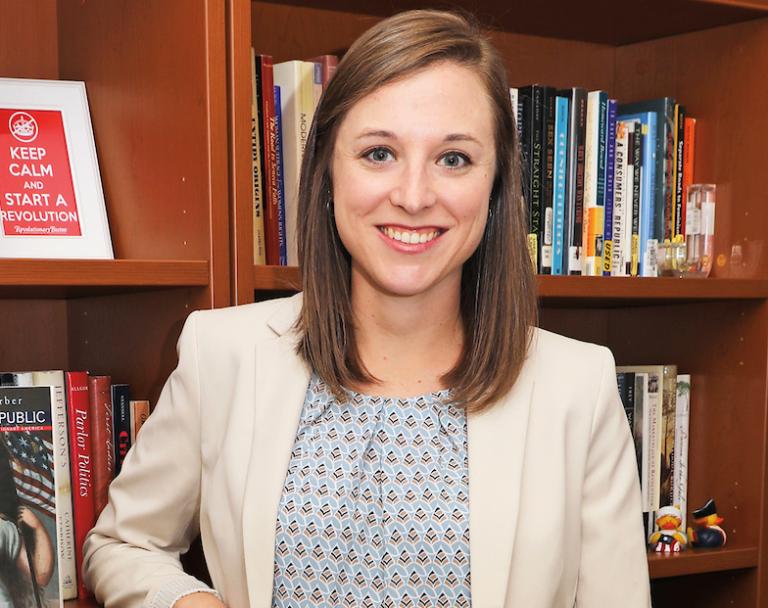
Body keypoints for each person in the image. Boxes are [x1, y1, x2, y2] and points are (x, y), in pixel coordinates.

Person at [83, 9, 651, 608]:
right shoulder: (221, 352)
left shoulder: (577, 387)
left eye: (453, 158)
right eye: (379, 153)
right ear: (328, 169)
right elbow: (122, 544)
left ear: (497, 183)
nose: (412, 196)